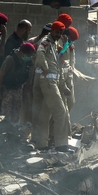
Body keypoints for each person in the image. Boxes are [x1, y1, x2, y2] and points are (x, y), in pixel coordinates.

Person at [32, 21, 71, 152]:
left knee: (45, 113)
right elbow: (40, 53)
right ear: (52, 31)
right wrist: (45, 67)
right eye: (57, 32)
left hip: (52, 81)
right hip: (48, 82)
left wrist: (65, 44)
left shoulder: (54, 44)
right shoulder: (46, 41)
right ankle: (61, 145)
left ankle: (41, 143)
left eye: (61, 33)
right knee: (60, 112)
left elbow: (62, 61)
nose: (59, 35)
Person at [0, 42, 36, 124]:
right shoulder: (10, 59)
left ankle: (12, 130)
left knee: (15, 115)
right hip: (7, 91)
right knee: (6, 116)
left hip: (18, 90)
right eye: (28, 55)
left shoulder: (25, 61)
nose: (29, 57)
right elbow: (0, 76)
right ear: (22, 53)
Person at [58, 26, 79, 112]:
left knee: (71, 102)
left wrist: (72, 69)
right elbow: (60, 59)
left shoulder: (71, 45)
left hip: (69, 75)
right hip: (61, 75)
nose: (72, 42)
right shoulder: (59, 43)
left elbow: (72, 59)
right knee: (63, 104)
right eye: (71, 39)